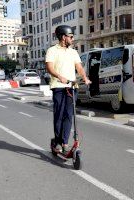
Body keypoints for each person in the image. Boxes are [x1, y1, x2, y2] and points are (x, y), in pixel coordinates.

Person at [45, 25, 91, 153]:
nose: (73, 38)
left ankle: (65, 143)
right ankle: (57, 142)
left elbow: (79, 67)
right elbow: (49, 67)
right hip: (58, 87)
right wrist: (60, 76)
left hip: (71, 87)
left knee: (69, 116)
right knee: (59, 115)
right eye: (71, 36)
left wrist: (85, 77)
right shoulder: (52, 50)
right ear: (63, 37)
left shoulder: (73, 52)